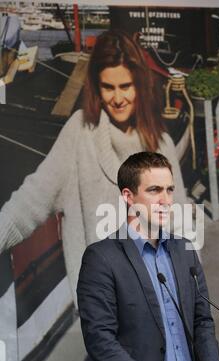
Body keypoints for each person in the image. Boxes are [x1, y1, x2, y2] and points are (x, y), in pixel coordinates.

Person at [0, 29, 193, 304]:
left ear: (139, 85)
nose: (117, 98)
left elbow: (180, 228)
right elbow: (30, 201)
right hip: (103, 315)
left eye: (125, 86)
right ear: (97, 88)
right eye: (108, 87)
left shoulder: (160, 145)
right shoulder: (79, 133)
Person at [77, 152, 219, 361]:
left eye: (169, 190)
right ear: (128, 196)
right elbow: (100, 341)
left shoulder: (184, 250)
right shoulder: (101, 257)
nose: (166, 200)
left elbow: (202, 321)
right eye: (154, 190)